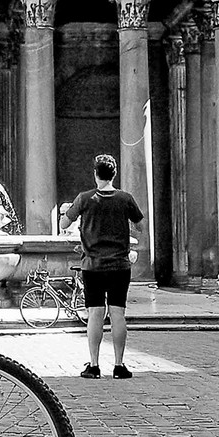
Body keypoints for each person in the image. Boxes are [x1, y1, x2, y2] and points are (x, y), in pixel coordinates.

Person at [67, 153, 144, 379]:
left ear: (95, 174)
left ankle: (94, 365)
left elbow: (64, 222)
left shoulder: (84, 198)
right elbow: (140, 227)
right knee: (118, 313)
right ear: (114, 174)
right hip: (120, 264)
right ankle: (119, 365)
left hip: (92, 265)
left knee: (95, 314)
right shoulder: (125, 198)